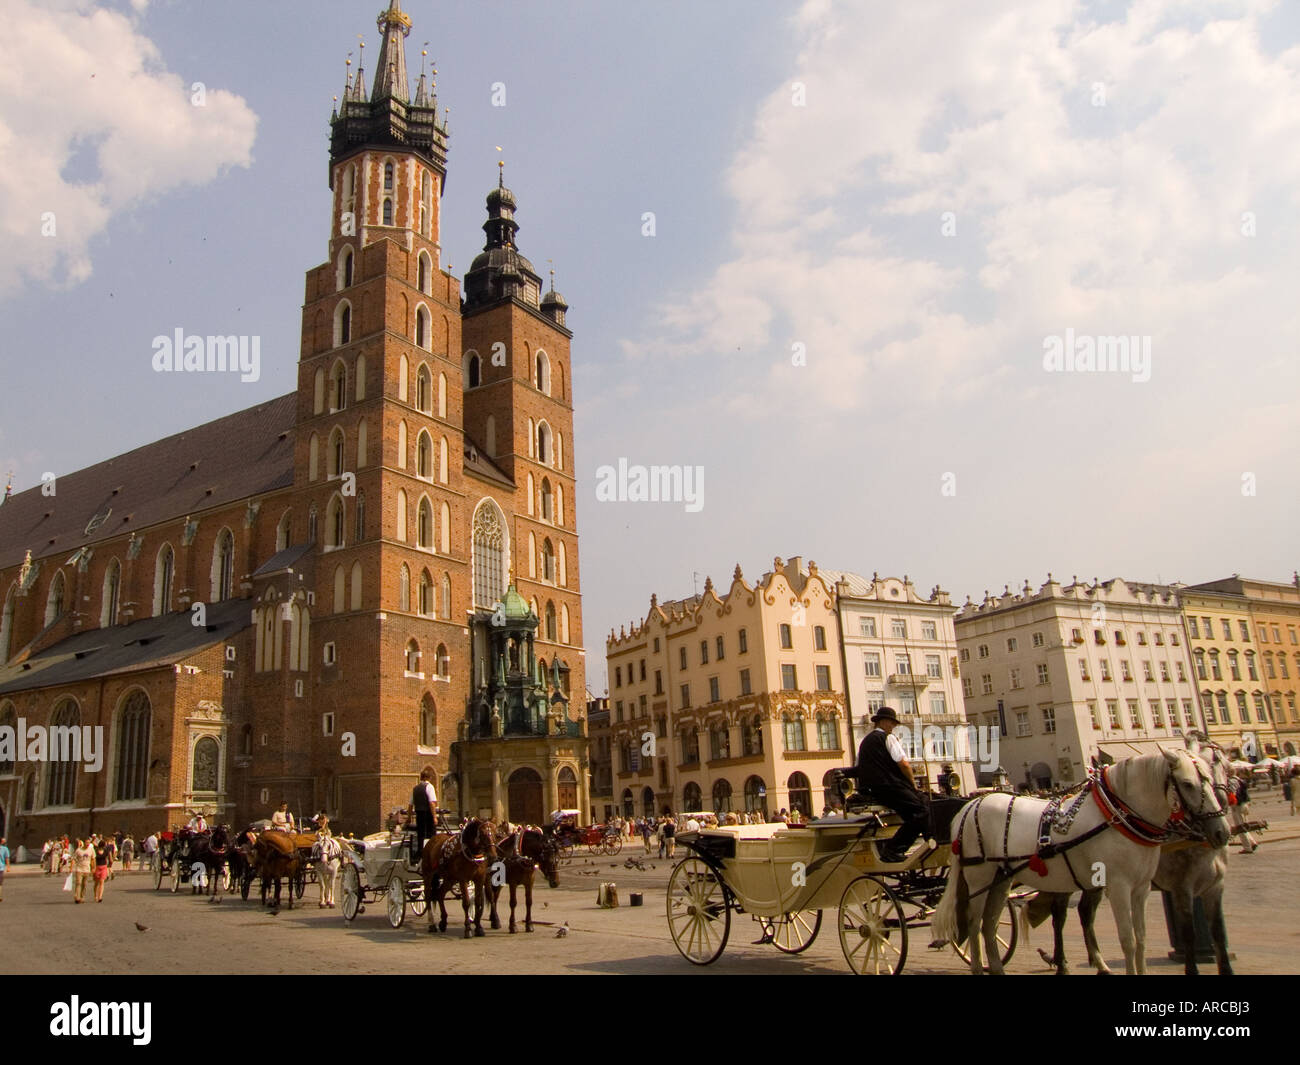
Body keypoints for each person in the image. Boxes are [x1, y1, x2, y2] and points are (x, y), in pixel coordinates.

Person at [855, 706, 929, 864]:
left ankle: (922, 841)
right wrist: (913, 784)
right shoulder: (888, 738)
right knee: (922, 809)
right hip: (889, 785)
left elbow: (859, 766)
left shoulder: (865, 742)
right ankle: (894, 849)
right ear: (882, 722)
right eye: (892, 723)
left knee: (912, 814)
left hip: (873, 788)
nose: (893, 726)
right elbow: (903, 764)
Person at [410, 765, 438, 861]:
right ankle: (432, 853)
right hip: (427, 814)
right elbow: (432, 803)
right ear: (428, 778)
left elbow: (410, 805)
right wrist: (434, 817)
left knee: (420, 835)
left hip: (419, 814)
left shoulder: (415, 788)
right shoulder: (429, 787)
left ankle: (420, 853)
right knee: (431, 835)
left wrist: (409, 818)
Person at [1233, 774, 1258, 853]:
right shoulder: (1240, 779)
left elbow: (1233, 795)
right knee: (1245, 825)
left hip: (1237, 805)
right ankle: (1252, 842)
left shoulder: (1231, 781)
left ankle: (1247, 847)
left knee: (1240, 827)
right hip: (1245, 804)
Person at [72, 839, 94, 903]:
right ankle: (77, 897)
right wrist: (71, 868)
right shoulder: (78, 850)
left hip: (87, 869)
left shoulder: (91, 850)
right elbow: (73, 858)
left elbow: (93, 859)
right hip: (79, 869)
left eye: (89, 843)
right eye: (86, 842)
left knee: (84, 884)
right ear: (84, 843)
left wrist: (93, 867)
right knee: (78, 883)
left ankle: (82, 897)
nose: (88, 844)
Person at [0, 837, 8, 901]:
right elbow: (7, 858)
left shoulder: (5, 849)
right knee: (0, 884)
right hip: (1, 868)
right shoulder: (5, 849)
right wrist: (8, 867)